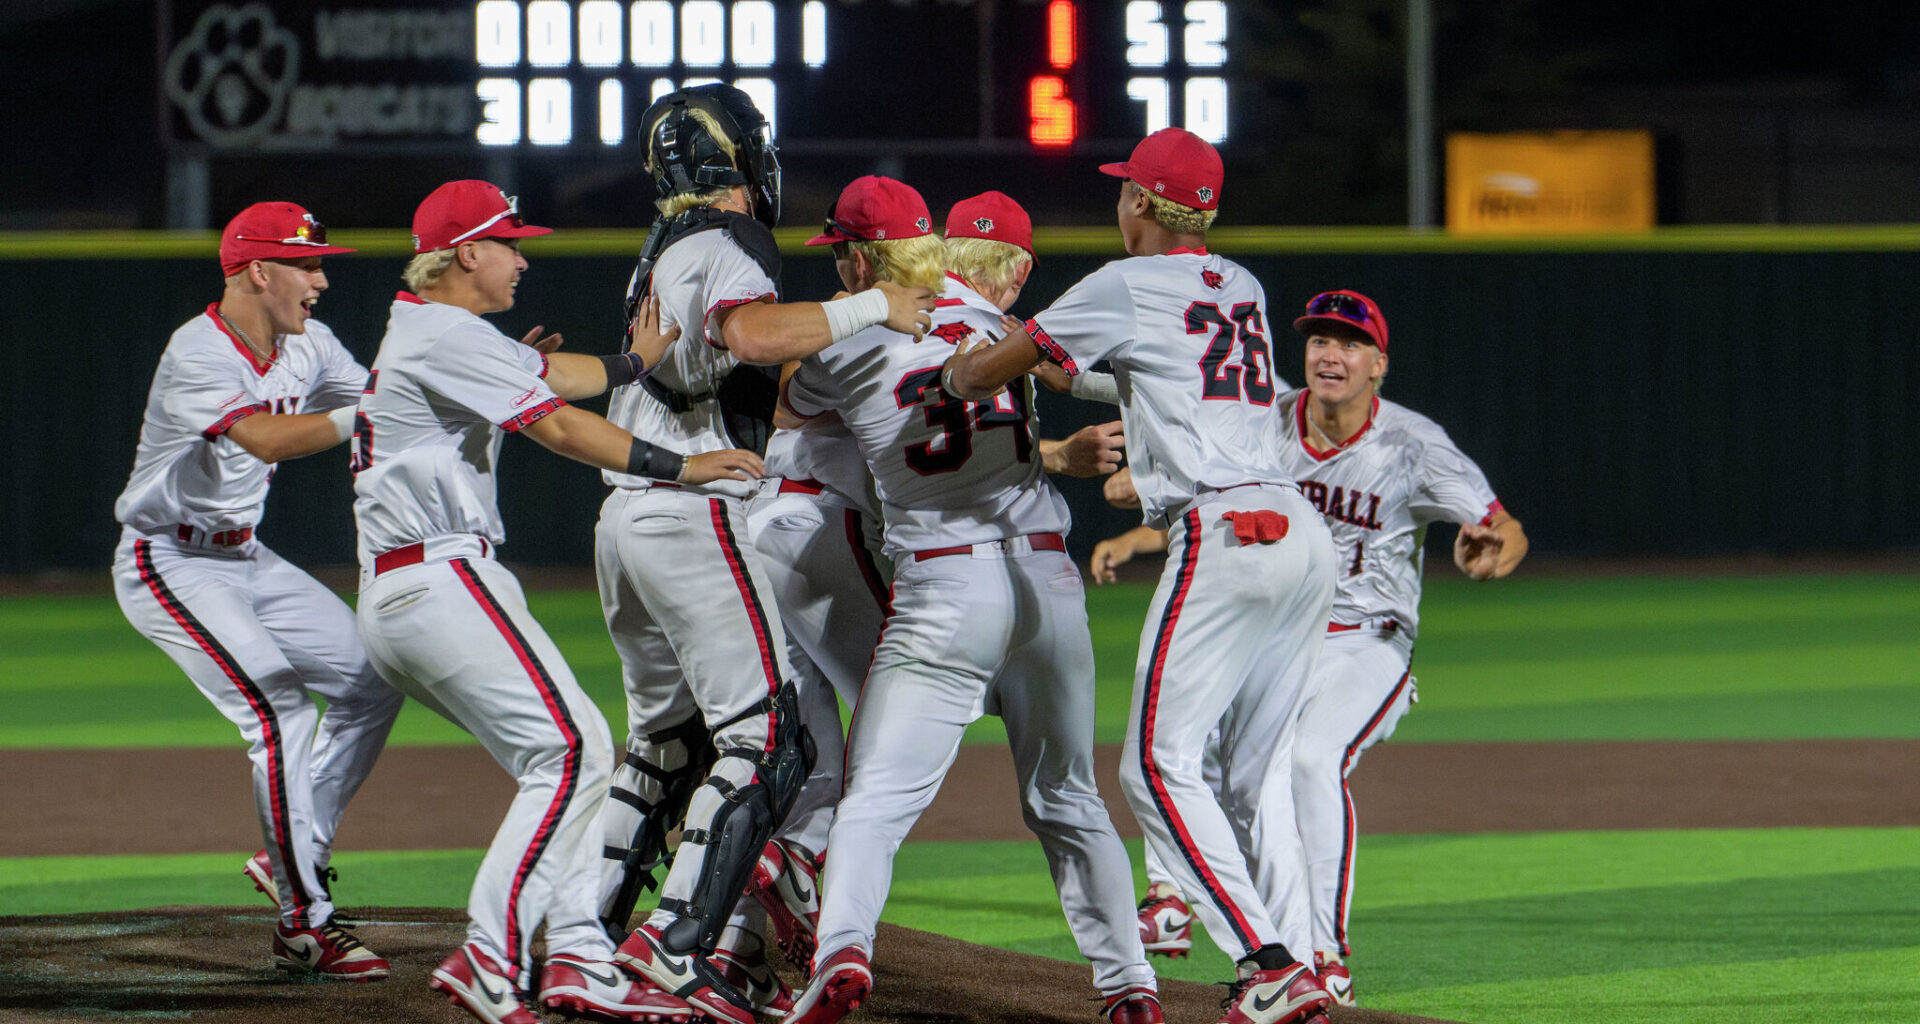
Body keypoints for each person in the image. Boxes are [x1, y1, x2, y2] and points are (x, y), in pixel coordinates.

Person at [938, 128, 1339, 1024]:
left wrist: (970, 352)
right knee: (1251, 772)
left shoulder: (1123, 282)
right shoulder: (1241, 284)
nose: (1119, 201)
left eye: (1127, 190)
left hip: (1228, 534)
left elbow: (978, 378)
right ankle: (1309, 959)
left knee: (1156, 769)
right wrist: (1045, 352)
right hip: (1303, 535)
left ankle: (1267, 966)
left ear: (1144, 205)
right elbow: (1135, 372)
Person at [352, 179, 761, 1024]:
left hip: (412, 582)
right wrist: (681, 465)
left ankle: (576, 951)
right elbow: (561, 425)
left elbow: (556, 375)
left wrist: (636, 363)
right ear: (467, 252)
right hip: (438, 576)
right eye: (510, 242)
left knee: (574, 753)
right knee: (573, 752)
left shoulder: (435, 330)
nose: (523, 256)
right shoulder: (444, 333)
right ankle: (490, 955)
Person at [774, 177, 1159, 1024]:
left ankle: (841, 953)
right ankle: (1130, 985)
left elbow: (790, 412)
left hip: (945, 586)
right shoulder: (1008, 331)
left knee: (876, 798)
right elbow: (1076, 380)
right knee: (1068, 798)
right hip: (1047, 580)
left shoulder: (849, 339)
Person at [592, 84, 938, 1024]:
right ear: (737, 156)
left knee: (663, 748)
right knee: (767, 739)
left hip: (629, 512)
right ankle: (669, 952)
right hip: (693, 506)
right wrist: (870, 304)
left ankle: (584, 941)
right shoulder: (733, 240)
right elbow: (747, 333)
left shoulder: (661, 248)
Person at [1092, 290, 1528, 1006]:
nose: (1331, 353)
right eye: (1320, 339)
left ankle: (1325, 955)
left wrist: (1494, 552)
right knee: (1186, 733)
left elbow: (1503, 525)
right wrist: (1142, 535)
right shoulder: (1267, 420)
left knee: (1308, 760)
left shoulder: (1414, 444)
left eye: (1351, 343)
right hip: (1282, 633)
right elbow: (1214, 492)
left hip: (1368, 642)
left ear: (1379, 365)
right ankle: (1173, 897)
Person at [111, 202, 403, 982]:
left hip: (247, 556)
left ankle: (296, 855)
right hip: (168, 561)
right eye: (306, 265)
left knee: (371, 680)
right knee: (278, 710)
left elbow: (381, 396)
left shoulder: (307, 346)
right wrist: (370, 411)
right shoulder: (198, 350)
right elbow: (268, 438)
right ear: (257, 271)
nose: (321, 279)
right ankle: (303, 923)